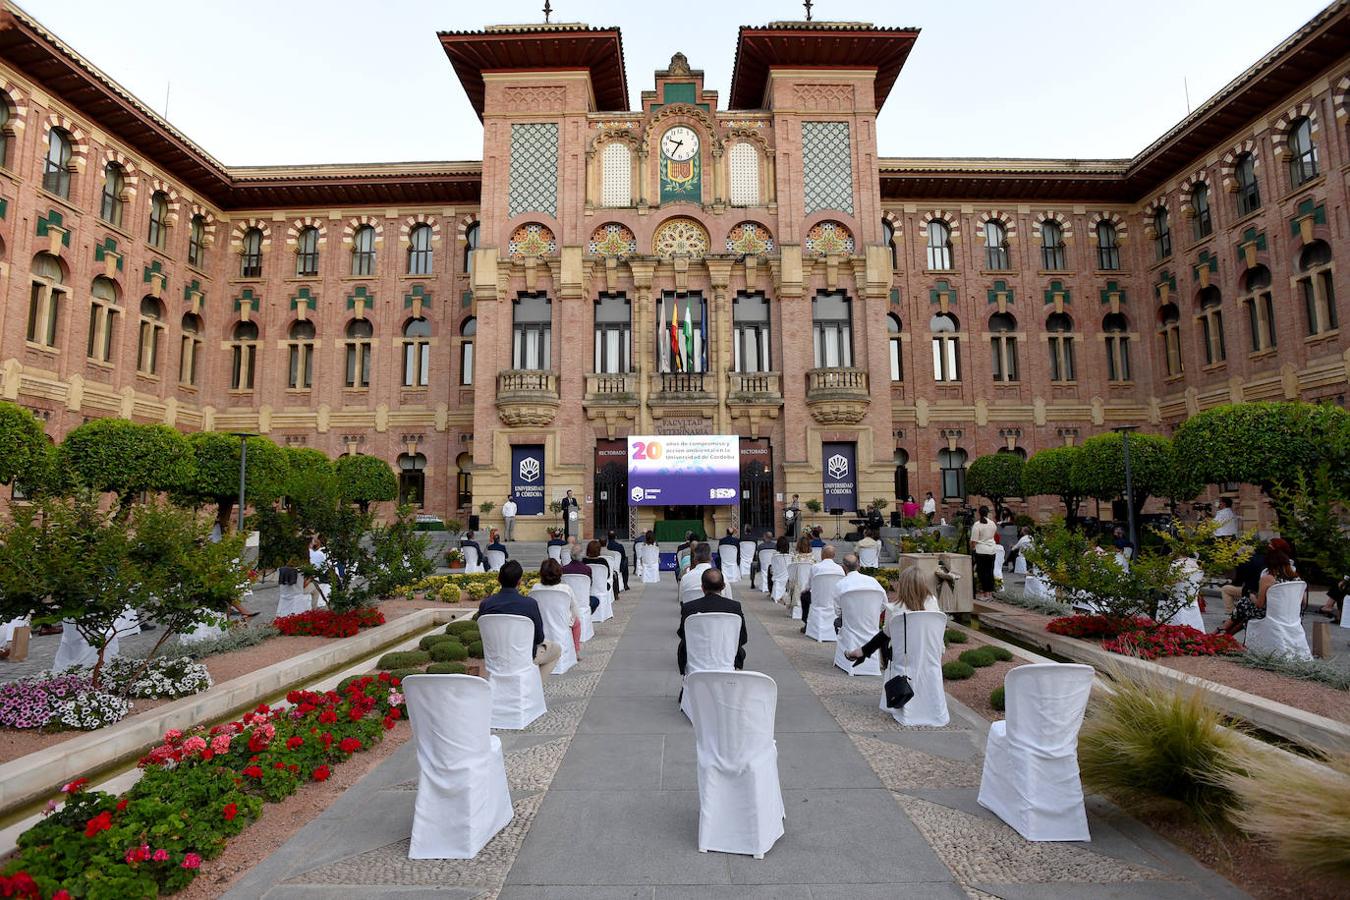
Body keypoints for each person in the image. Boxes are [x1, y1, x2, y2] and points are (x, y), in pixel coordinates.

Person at [474, 560, 561, 680]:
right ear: (519, 582)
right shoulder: (529, 604)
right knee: (556, 650)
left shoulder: (486, 604)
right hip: (522, 659)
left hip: (495, 659)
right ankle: (535, 686)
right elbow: (539, 638)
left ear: (499, 579)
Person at [846, 566, 943, 666]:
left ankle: (862, 652)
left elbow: (885, 634)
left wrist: (865, 650)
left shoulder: (894, 608)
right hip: (931, 657)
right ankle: (863, 652)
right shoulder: (933, 601)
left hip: (904, 660)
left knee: (885, 635)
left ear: (902, 585)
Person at [1217, 545, 1302, 635]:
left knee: (1245, 604)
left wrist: (1252, 596)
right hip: (1289, 614)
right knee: (1245, 610)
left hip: (1270, 613)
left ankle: (1222, 632)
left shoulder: (1268, 578)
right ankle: (1225, 634)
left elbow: (1259, 604)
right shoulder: (1297, 580)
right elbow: (1303, 602)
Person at [677, 567, 747, 676]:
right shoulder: (734, 607)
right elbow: (742, 638)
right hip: (726, 662)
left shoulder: (689, 607)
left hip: (696, 663)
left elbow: (683, 634)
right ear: (723, 586)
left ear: (702, 588)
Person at [531, 558, 581, 656]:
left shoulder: (535, 588)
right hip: (562, 625)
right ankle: (576, 650)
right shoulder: (565, 589)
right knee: (577, 622)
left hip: (542, 625)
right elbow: (575, 611)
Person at [801, 545, 844, 634]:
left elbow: (808, 586)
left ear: (822, 554)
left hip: (818, 601)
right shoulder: (840, 569)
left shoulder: (816, 567)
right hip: (834, 602)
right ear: (834, 555)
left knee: (804, 595)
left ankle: (806, 623)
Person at [970, 506, 999, 598]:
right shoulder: (992, 524)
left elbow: (974, 541)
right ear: (988, 513)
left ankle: (985, 592)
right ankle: (989, 592)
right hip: (992, 550)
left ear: (979, 513)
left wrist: (972, 549)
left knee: (982, 572)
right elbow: (993, 535)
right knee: (990, 571)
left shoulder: (977, 525)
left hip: (981, 550)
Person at [561, 547, 600, 613]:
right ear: (581, 556)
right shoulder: (587, 569)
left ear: (570, 556)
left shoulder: (563, 569)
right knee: (595, 600)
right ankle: (586, 616)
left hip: (568, 600)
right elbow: (590, 584)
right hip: (583, 600)